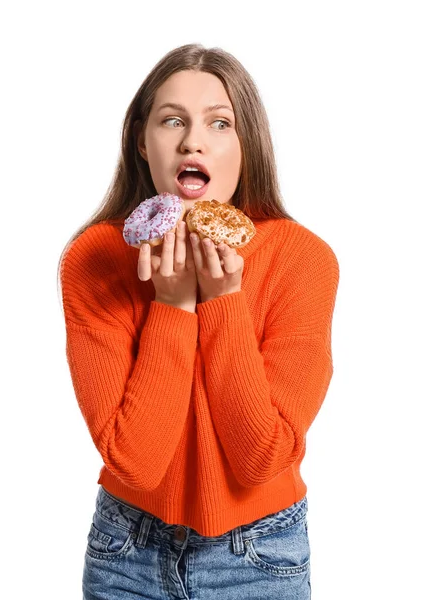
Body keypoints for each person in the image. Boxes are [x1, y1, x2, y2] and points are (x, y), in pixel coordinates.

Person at [58, 43, 339, 600]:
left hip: (260, 557)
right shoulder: (93, 258)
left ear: (245, 146)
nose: (193, 140)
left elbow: (262, 458)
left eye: (219, 122)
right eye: (172, 121)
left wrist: (223, 299)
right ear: (142, 142)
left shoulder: (303, 260)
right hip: (126, 553)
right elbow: (134, 463)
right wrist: (172, 304)